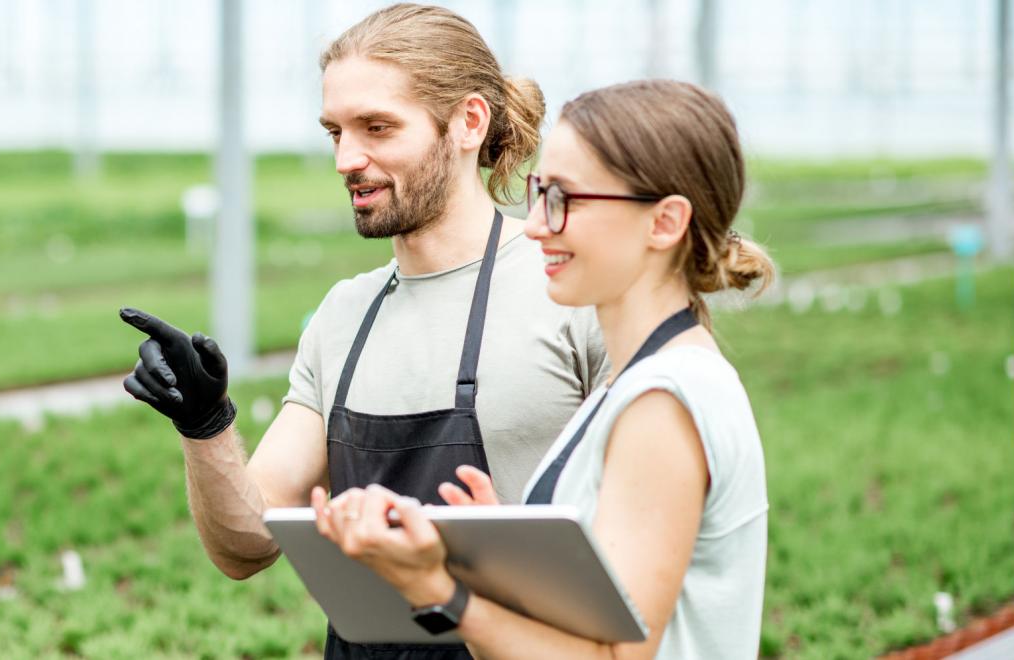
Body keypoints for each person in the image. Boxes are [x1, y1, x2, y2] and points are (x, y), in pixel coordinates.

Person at [117, 5, 606, 657]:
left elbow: (644, 557)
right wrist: (205, 424)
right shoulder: (345, 314)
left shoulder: (571, 297)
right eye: (334, 133)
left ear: (467, 122)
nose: (347, 158)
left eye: (376, 127)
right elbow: (247, 544)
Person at [312, 79, 775, 659]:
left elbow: (616, 656)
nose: (535, 226)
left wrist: (442, 593)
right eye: (538, 194)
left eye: (566, 201)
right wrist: (499, 557)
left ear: (664, 223)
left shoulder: (665, 401)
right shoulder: (633, 383)